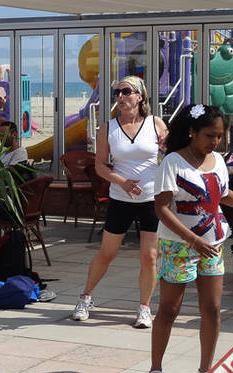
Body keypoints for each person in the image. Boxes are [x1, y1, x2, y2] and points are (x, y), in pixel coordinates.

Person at [145, 104, 233, 373]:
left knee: (213, 309)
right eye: (210, 135)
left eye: (220, 136)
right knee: (169, 309)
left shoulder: (217, 160)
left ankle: (206, 370)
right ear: (192, 132)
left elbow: (220, 194)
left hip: (214, 244)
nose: (216, 142)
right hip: (179, 247)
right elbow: (161, 209)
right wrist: (193, 240)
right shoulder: (172, 162)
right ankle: (156, 368)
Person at [72, 76, 168, 328]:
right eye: (117, 93)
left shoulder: (155, 124)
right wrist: (122, 181)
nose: (120, 97)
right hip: (120, 198)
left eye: (126, 91)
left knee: (149, 257)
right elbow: (100, 166)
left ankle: (144, 308)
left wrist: (168, 149)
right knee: (107, 253)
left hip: (151, 199)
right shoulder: (108, 128)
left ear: (139, 96)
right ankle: (85, 297)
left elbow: (171, 155)